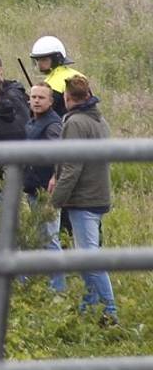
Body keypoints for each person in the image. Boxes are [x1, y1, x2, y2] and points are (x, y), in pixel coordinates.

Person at [50, 75, 117, 326]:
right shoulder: (98, 119)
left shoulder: (75, 122)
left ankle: (110, 311)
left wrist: (55, 201)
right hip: (98, 193)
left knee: (90, 256)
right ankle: (88, 305)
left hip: (84, 198)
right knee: (85, 255)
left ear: (67, 98)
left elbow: (71, 167)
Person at [25, 83, 66, 293]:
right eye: (33, 97)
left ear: (51, 101)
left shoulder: (52, 125)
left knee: (50, 238)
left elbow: (60, 154)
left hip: (46, 191)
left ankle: (58, 288)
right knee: (40, 237)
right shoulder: (33, 121)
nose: (37, 100)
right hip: (33, 189)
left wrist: (54, 177)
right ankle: (43, 284)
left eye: (41, 97)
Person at [30, 36, 85, 114]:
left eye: (43, 59)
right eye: (37, 60)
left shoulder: (52, 83)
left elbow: (43, 114)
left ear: (56, 59)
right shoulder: (79, 75)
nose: (39, 64)